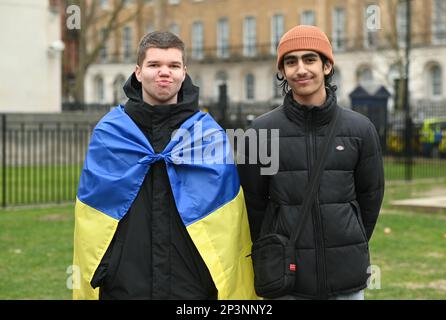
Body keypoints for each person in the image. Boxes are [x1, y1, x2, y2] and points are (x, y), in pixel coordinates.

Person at [73, 31, 256, 300]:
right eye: (154, 65)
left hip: (193, 287)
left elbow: (229, 222)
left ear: (184, 72)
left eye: (173, 66)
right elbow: (92, 218)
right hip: (124, 285)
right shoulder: (110, 133)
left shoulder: (208, 135)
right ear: (138, 72)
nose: (164, 73)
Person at [237, 25, 384, 300]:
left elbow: (371, 196)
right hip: (287, 278)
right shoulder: (259, 131)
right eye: (290, 62)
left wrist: (348, 237)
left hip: (346, 276)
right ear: (282, 71)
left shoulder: (361, 129)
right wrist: (271, 245)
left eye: (310, 59)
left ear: (327, 65)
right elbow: (252, 203)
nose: (300, 69)